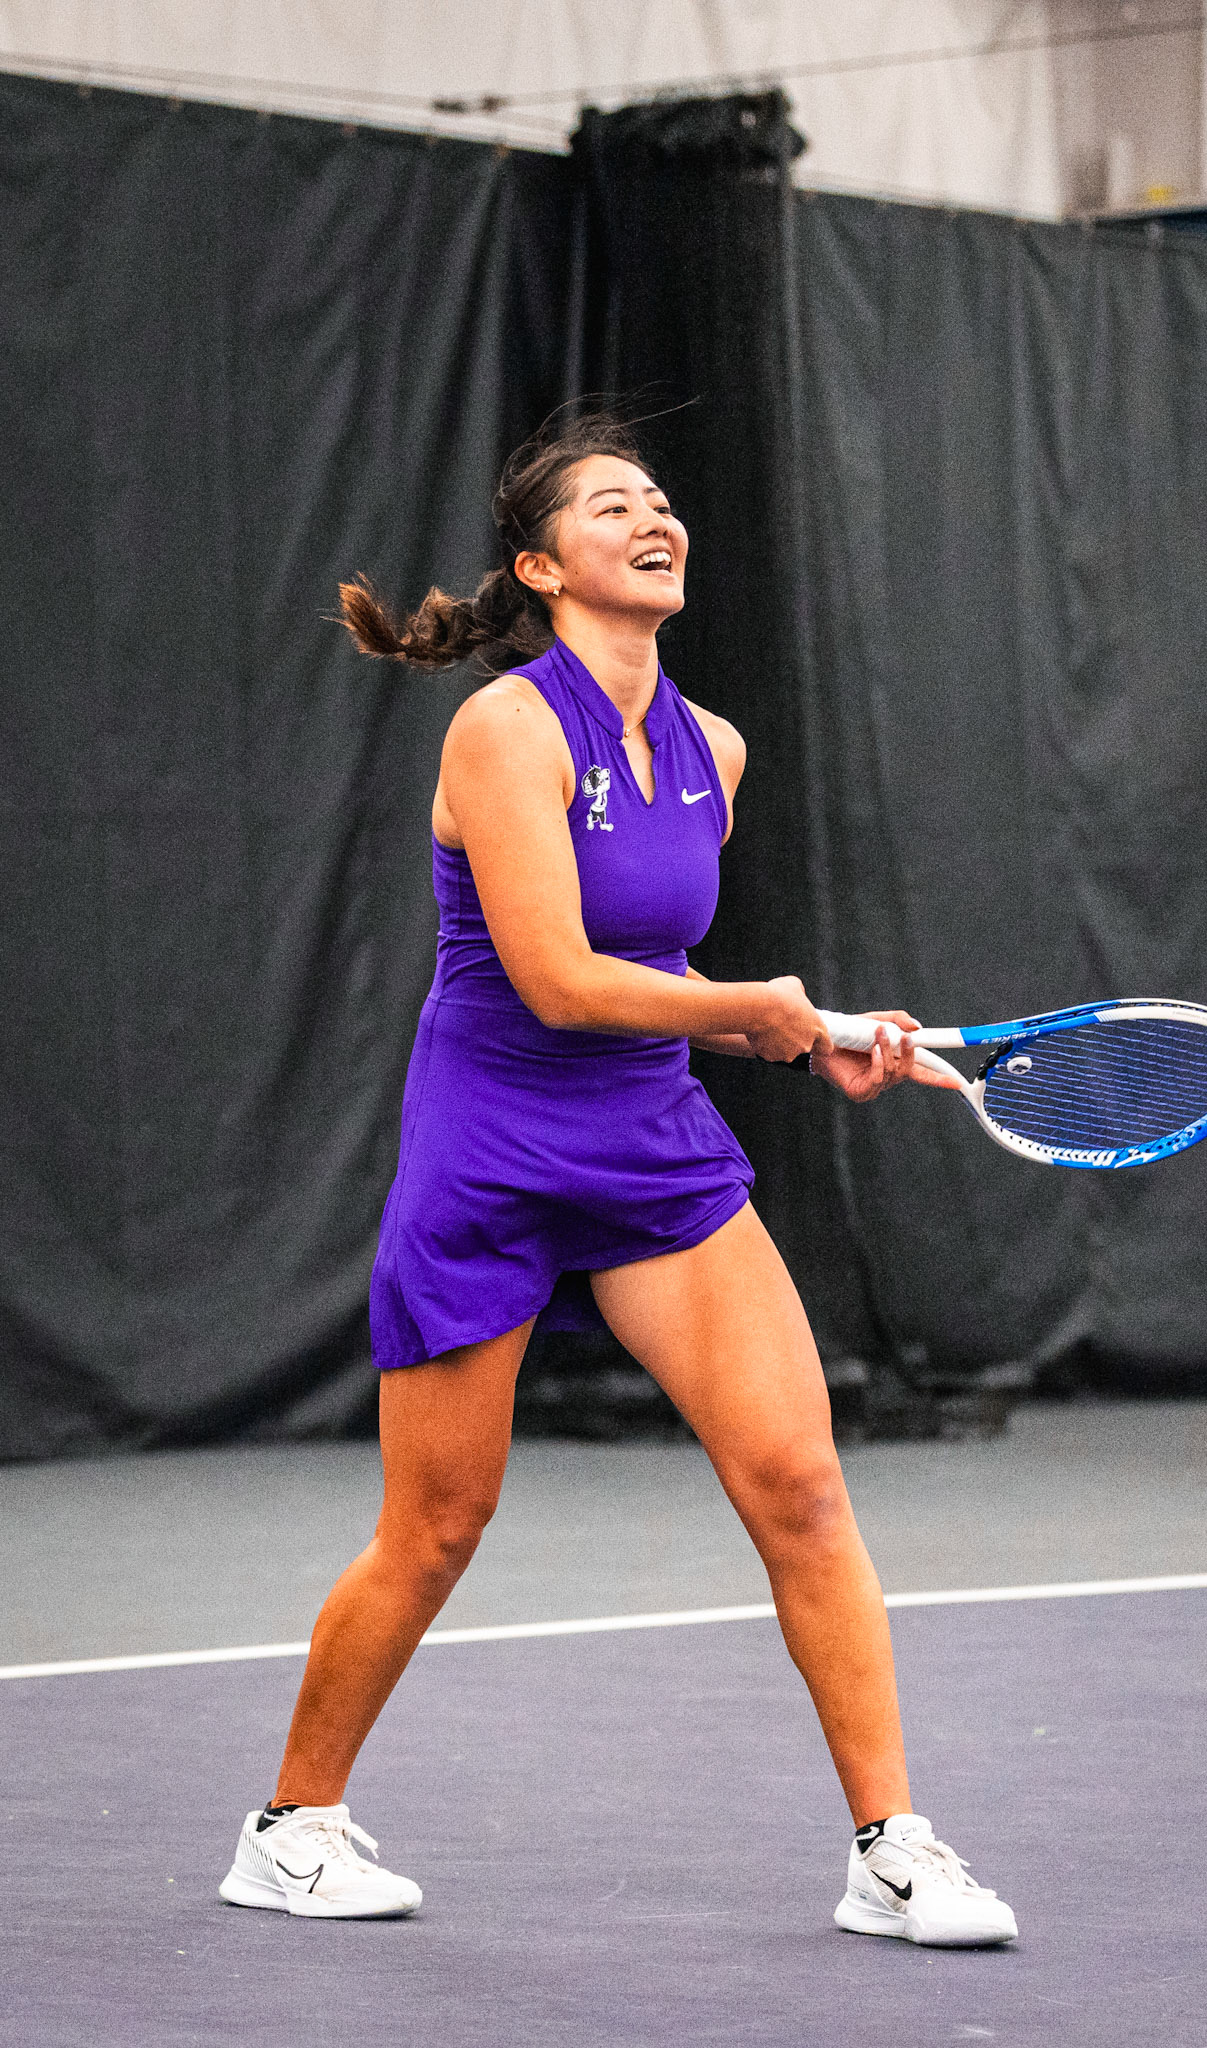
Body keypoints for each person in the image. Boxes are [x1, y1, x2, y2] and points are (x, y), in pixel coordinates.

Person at [219, 414, 1017, 1946]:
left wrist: (818, 1037)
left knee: (800, 1485)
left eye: (659, 501)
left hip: (650, 1147)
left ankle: (890, 1847)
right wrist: (762, 1012)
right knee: (436, 1525)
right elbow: (559, 979)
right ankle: (289, 1826)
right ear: (539, 567)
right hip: (491, 1151)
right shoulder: (505, 731)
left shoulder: (713, 748)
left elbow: (667, 976)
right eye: (608, 506)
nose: (652, 518)